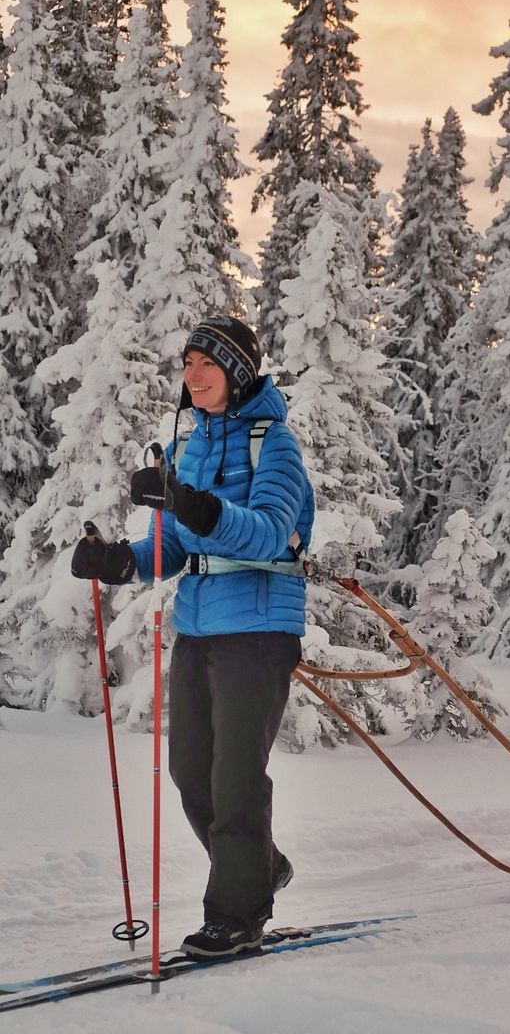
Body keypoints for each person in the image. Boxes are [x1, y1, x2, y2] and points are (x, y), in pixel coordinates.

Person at [71, 314, 314, 959]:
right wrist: (118, 561)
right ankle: (259, 868)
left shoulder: (275, 445)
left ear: (236, 371)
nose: (193, 374)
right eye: (187, 362)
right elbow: (171, 549)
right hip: (199, 624)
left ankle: (236, 913)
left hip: (260, 625)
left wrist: (194, 506)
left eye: (207, 363)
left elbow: (265, 533)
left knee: (236, 774)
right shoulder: (189, 448)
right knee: (189, 771)